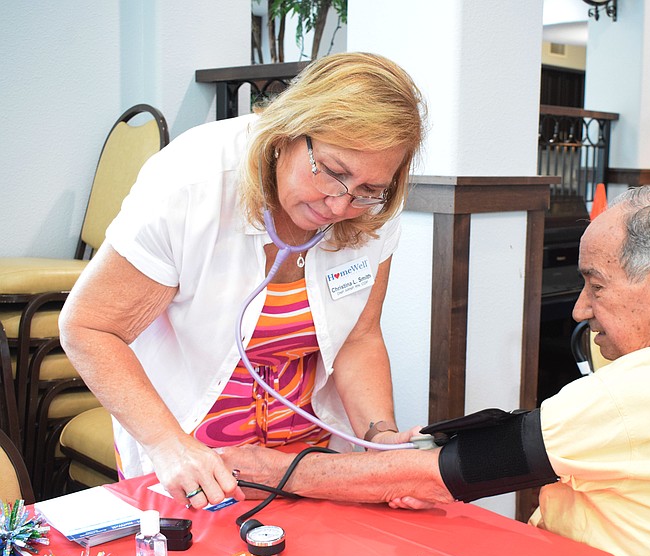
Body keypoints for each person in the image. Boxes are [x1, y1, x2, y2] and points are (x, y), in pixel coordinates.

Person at [217, 185, 650, 556]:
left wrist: (267, 465)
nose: (581, 309)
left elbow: (431, 478)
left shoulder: (635, 395)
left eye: (594, 284)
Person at [58, 52, 426, 509]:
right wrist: (168, 445)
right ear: (290, 130)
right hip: (194, 466)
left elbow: (360, 337)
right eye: (334, 172)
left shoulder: (371, 210)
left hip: (307, 464)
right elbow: (89, 327)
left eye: (369, 190)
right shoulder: (192, 182)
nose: (339, 204)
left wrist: (381, 442)